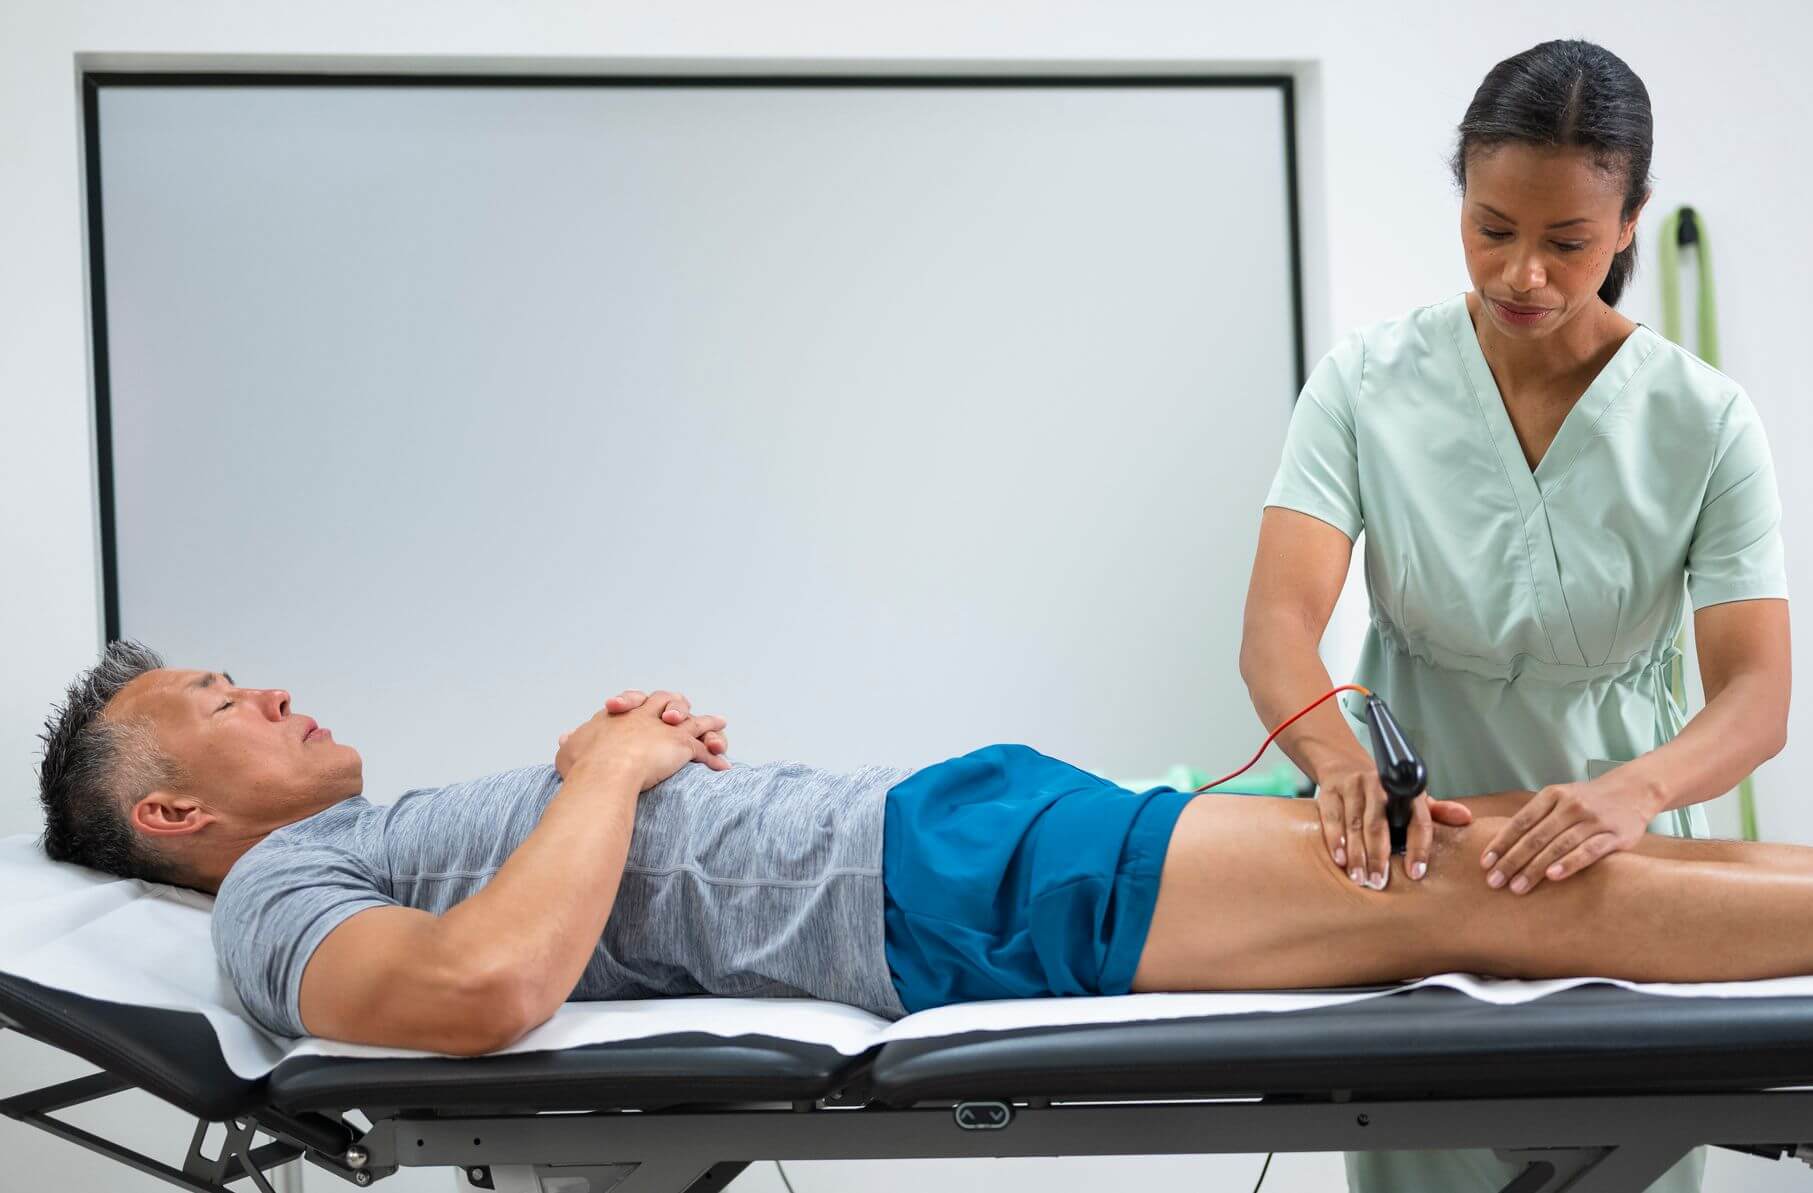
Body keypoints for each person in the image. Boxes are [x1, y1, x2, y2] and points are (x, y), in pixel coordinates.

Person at [34, 641, 1813, 1071]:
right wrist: (606, 767)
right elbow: (480, 987)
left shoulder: (354, 831)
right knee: (1492, 892)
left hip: (949, 828)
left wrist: (620, 771)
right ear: (172, 815)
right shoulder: (274, 899)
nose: (261, 686)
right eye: (213, 697)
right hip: (939, 897)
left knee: (1484, 838)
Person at [1241, 39, 1789, 1193]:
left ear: (1631, 220)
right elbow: (1278, 626)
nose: (1524, 273)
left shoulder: (1704, 421)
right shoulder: (1365, 385)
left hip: (1619, 866)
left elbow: (1755, 693)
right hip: (1418, 860)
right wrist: (1337, 765)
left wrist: (1634, 788)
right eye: (1493, 229)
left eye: (1567, 241)